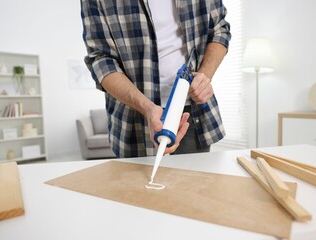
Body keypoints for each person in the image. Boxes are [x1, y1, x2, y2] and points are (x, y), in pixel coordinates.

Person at [80, 0, 231, 158]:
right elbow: (101, 59)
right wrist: (147, 108)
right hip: (134, 117)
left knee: (193, 181)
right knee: (138, 181)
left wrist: (205, 75)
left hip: (193, 113)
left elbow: (219, 29)